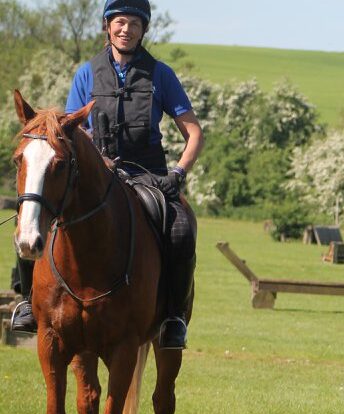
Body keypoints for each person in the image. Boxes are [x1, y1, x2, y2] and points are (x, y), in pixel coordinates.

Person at [12, 0, 204, 348]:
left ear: (143, 30)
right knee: (33, 212)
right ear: (107, 26)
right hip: (98, 176)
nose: (126, 29)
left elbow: (194, 132)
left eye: (134, 23)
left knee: (180, 227)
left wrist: (178, 173)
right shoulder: (86, 73)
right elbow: (71, 131)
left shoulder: (161, 74)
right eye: (120, 22)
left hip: (148, 177)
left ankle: (173, 316)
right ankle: (27, 302)